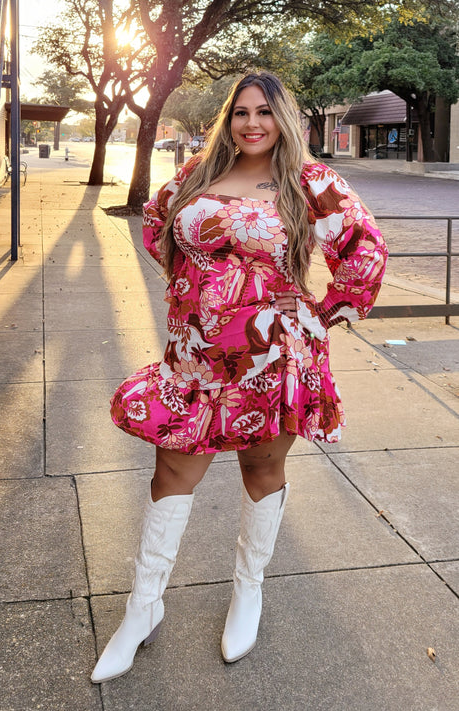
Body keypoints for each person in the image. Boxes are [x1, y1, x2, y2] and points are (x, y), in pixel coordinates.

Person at [91, 72, 388, 683]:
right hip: (194, 355)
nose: (252, 124)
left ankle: (247, 593)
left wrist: (317, 313)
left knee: (261, 467)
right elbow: (155, 223)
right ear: (228, 120)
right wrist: (200, 286)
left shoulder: (309, 183)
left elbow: (365, 251)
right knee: (172, 469)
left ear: (285, 119)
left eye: (265, 112)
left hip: (271, 359)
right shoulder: (197, 174)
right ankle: (143, 608)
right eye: (241, 113)